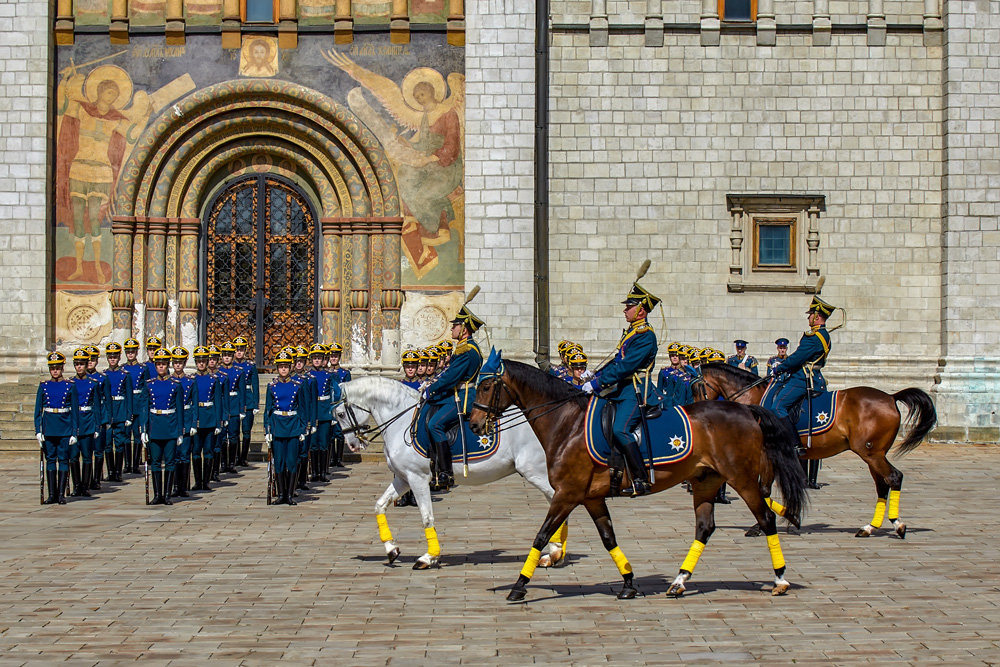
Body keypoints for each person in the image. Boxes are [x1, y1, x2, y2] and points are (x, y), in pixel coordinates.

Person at [580, 281, 660, 497]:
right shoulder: (632, 332)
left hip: (635, 391)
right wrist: (594, 375)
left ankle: (640, 478)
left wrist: (597, 384)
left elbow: (626, 367)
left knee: (620, 429)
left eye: (629, 307)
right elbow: (617, 360)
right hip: (621, 389)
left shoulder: (645, 335)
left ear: (641, 310)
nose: (625, 310)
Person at [418, 304, 485, 491]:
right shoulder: (463, 348)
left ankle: (445, 472)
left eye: (455, 325)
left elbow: (452, 377)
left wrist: (431, 389)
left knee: (435, 425)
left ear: (464, 329)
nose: (452, 328)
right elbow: (449, 373)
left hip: (463, 397)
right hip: (455, 394)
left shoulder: (468, 351)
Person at [766, 296, 835, 444]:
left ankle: (793, 443)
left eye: (810, 315)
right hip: (815, 376)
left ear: (816, 316)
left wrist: (780, 368)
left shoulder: (813, 337)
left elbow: (797, 358)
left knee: (778, 407)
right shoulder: (824, 335)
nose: (808, 318)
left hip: (802, 379)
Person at [140, 348, 185, 505]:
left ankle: (167, 495)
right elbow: (144, 408)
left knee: (170, 462)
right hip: (155, 426)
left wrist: (180, 432)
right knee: (156, 462)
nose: (161, 367)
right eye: (158, 364)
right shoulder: (149, 385)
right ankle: (157, 494)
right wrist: (143, 429)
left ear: (168, 366)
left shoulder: (176, 385)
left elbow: (179, 410)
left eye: (163, 364)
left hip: (170, 426)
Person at [35, 352, 79, 505]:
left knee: (63, 460)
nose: (55, 371)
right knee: (50, 460)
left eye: (57, 368)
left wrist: (74, 432)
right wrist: (38, 431)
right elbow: (38, 411)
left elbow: (74, 411)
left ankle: (61, 494)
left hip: (64, 428)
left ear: (62, 368)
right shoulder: (44, 386)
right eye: (52, 368)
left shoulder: (69, 386)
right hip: (49, 428)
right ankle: (52, 494)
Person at [264, 349, 307, 505]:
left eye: (286, 366)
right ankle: (281, 494)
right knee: (280, 462)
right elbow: (267, 410)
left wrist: (303, 429)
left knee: (291, 461)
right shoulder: (272, 386)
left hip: (293, 426)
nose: (283, 369)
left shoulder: (298, 385)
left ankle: (289, 494)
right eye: (281, 366)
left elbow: (302, 409)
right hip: (277, 426)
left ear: (291, 368)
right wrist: (267, 430)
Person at [69, 348, 102, 497]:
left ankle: (86, 485)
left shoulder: (93, 383)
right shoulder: (70, 383)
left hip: (87, 421)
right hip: (74, 423)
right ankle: (77, 485)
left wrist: (96, 426)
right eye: (77, 364)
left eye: (82, 364)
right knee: (74, 456)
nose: (80, 367)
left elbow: (96, 406)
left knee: (87, 456)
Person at [191, 346, 223, 491]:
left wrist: (218, 422)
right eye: (199, 361)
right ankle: (198, 481)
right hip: (197, 418)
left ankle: (206, 481)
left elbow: (217, 401)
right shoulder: (191, 379)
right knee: (196, 451)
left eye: (204, 361)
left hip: (209, 417)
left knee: (208, 451)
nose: (202, 364)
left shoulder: (213, 380)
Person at [102, 342, 133, 483]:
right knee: (107, 443)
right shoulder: (104, 375)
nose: (113, 359)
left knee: (119, 442)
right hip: (109, 412)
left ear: (119, 357)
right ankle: (110, 471)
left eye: (115, 357)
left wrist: (128, 415)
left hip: (120, 410)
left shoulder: (124, 375)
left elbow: (129, 396)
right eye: (110, 357)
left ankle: (118, 472)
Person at [308, 343, 338, 482]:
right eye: (315, 358)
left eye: (319, 358)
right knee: (313, 443)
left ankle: (323, 472)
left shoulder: (329, 375)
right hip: (313, 411)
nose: (317, 361)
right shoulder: (308, 376)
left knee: (324, 443)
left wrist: (333, 412)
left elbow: (334, 393)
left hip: (325, 411)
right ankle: (314, 472)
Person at [170, 346, 197, 498]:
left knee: (185, 455)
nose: (178, 365)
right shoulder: (170, 381)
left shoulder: (190, 382)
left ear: (185, 363)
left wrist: (193, 423)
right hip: (173, 421)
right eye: (175, 362)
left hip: (186, 419)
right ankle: (175, 486)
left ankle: (183, 486)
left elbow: (194, 404)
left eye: (180, 362)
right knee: (174, 455)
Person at [217, 341, 246, 474]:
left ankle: (232, 463)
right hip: (223, 404)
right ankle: (223, 463)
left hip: (234, 404)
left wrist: (242, 409)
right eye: (225, 355)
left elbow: (242, 391)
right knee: (222, 436)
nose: (227, 357)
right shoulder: (218, 371)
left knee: (234, 436)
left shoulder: (238, 371)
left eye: (229, 355)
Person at [84, 345, 110, 489]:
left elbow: (106, 399)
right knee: (86, 451)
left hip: (99, 416)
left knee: (98, 450)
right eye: (87, 360)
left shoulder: (102, 378)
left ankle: (96, 479)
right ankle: (86, 480)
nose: (90, 363)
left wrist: (106, 419)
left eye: (92, 360)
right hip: (86, 417)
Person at [233, 336, 260, 467]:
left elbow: (255, 383)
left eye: (241, 350)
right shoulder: (230, 366)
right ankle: (236, 456)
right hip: (235, 400)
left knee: (246, 431)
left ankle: (243, 457)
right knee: (234, 432)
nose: (239, 352)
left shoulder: (250, 366)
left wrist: (255, 403)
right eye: (237, 349)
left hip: (248, 399)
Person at [121, 338, 147, 474]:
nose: (130, 354)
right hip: (127, 403)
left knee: (137, 434)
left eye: (132, 352)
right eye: (128, 352)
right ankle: (127, 464)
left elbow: (146, 387)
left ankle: (136, 463)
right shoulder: (122, 369)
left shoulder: (142, 369)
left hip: (138, 402)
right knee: (126, 434)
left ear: (136, 352)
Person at [327, 342, 350, 468]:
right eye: (331, 356)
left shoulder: (344, 373)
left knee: (339, 433)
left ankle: (339, 458)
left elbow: (348, 390)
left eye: (336, 356)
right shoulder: (327, 373)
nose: (333, 358)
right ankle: (331, 458)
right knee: (330, 433)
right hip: (329, 405)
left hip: (340, 405)